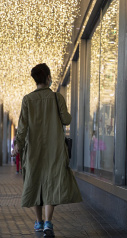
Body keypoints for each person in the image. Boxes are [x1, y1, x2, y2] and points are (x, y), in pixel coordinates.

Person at [14, 63, 82, 237]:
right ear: (48, 77)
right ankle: (48, 224)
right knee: (52, 183)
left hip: (34, 150)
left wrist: (18, 146)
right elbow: (66, 120)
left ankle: (38, 223)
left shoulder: (27, 100)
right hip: (54, 149)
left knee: (35, 182)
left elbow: (22, 127)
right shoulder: (57, 97)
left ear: (35, 79)